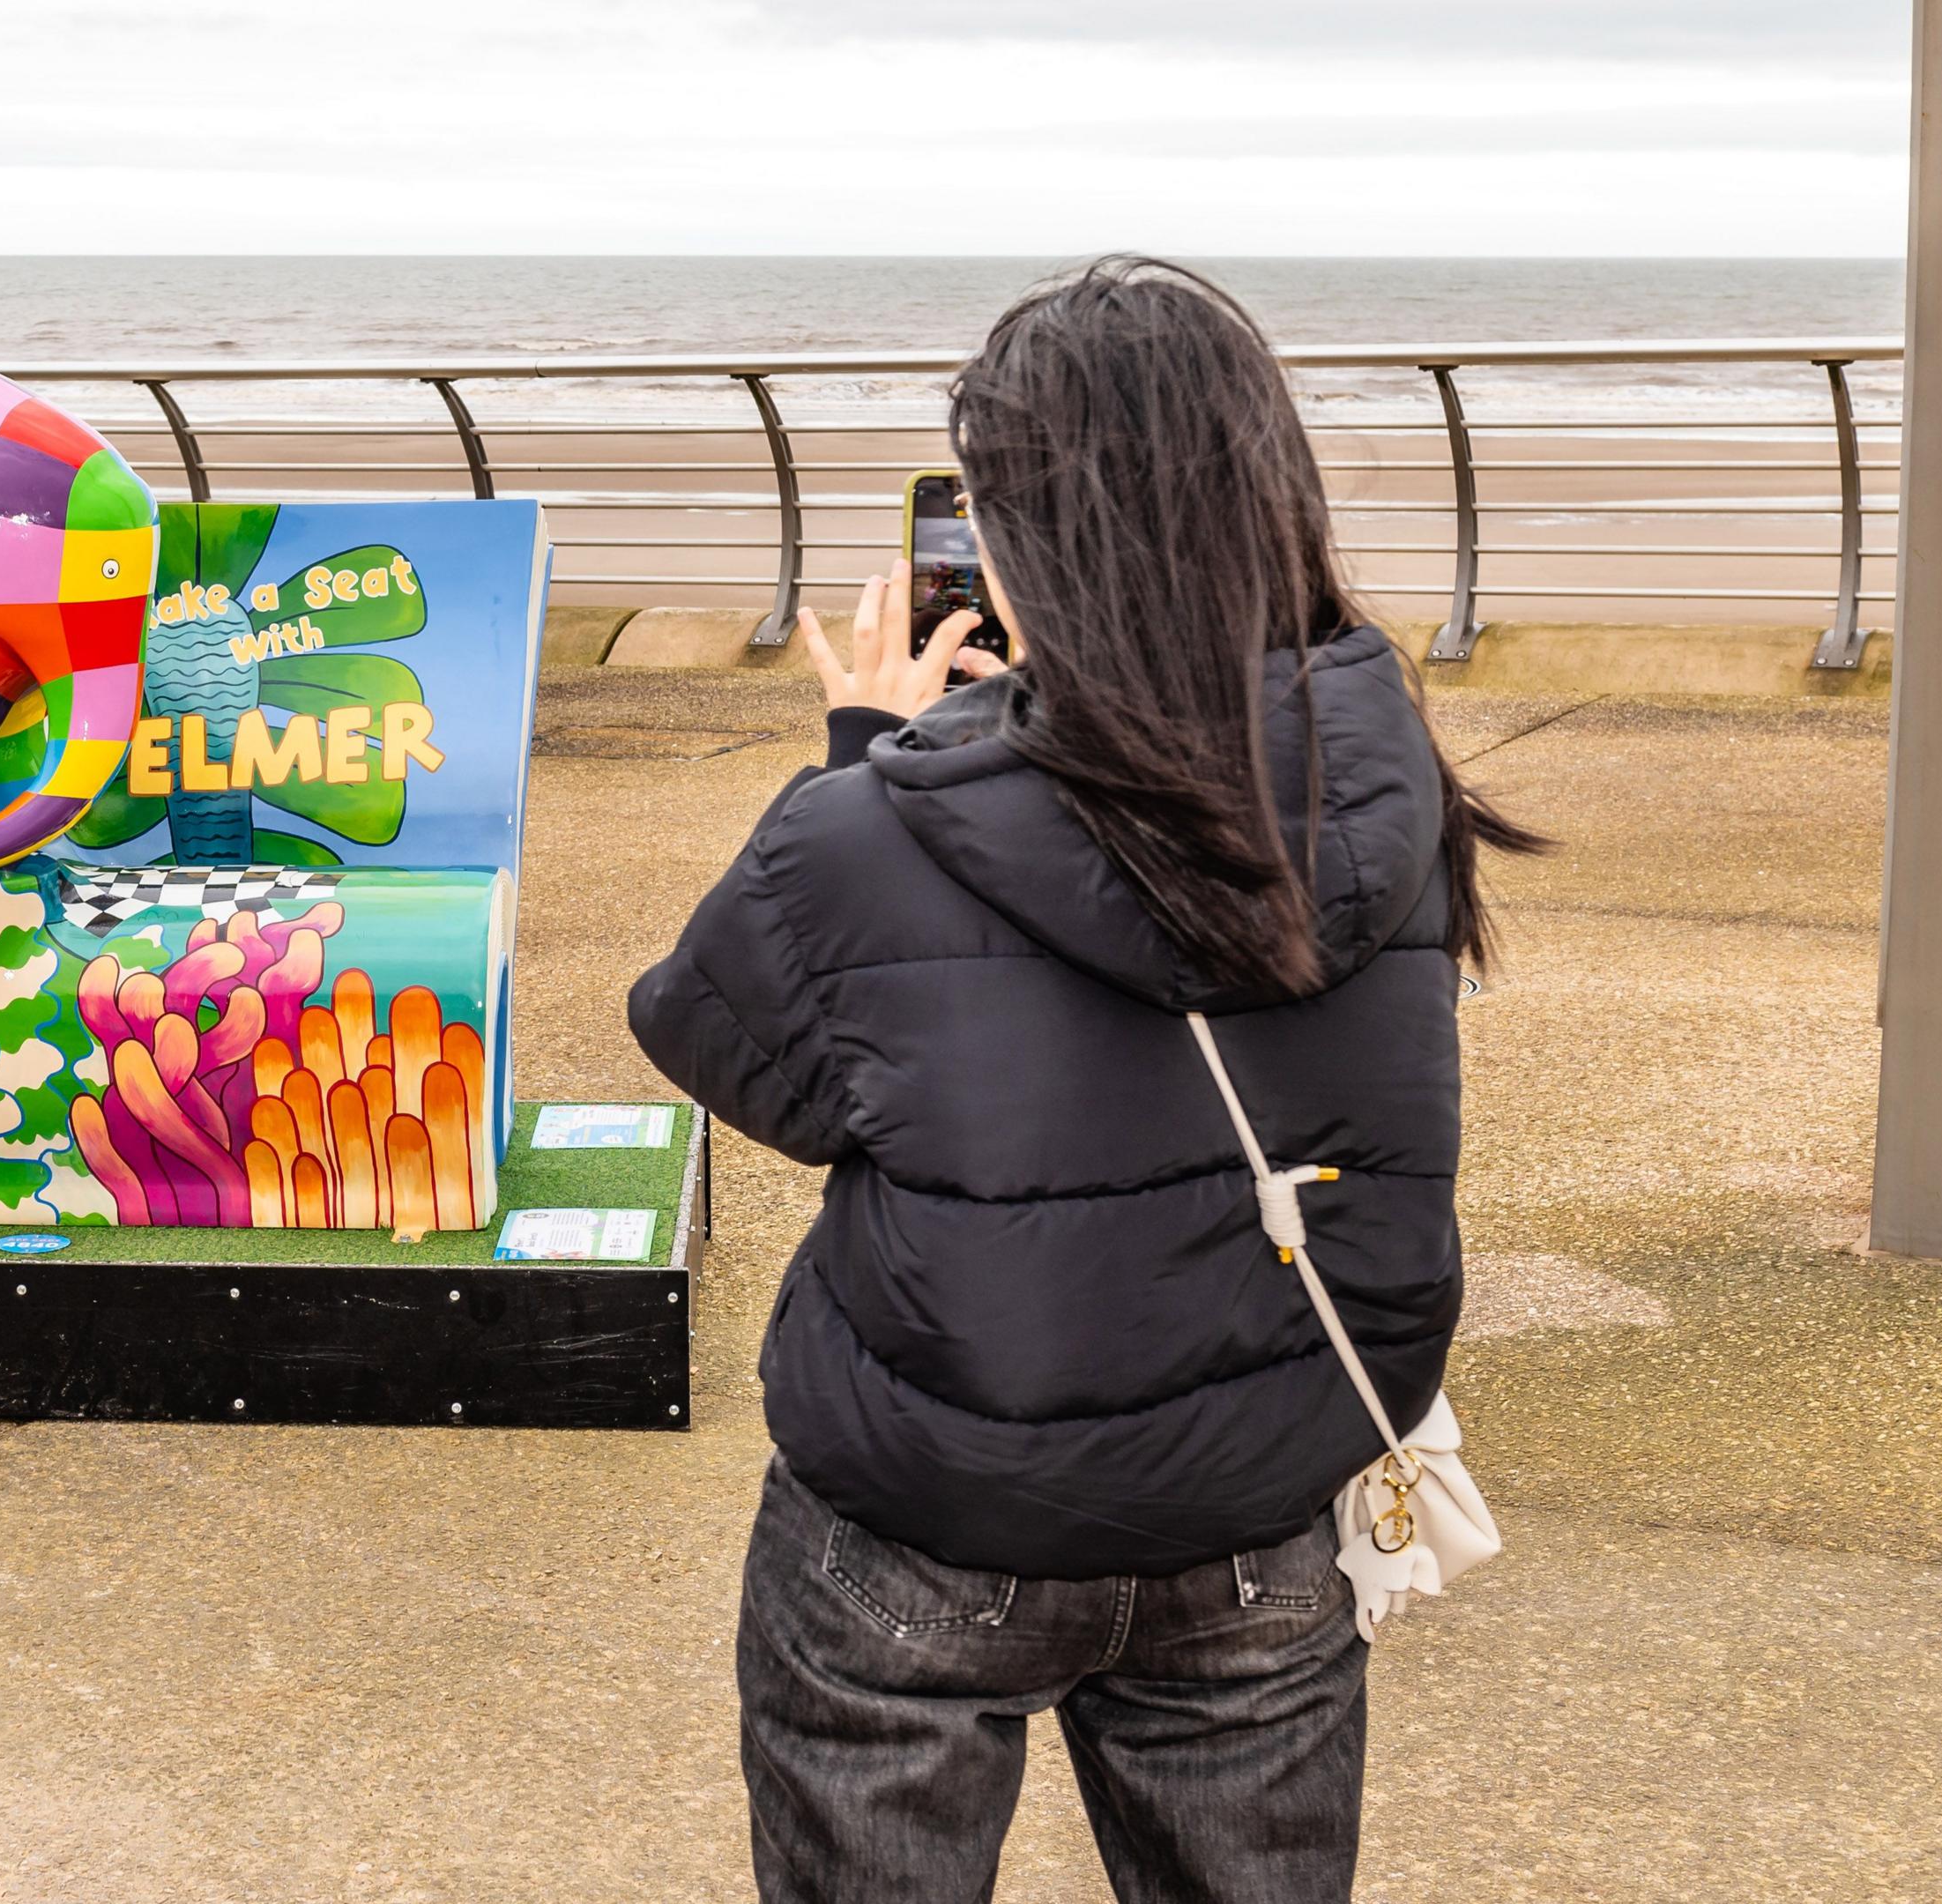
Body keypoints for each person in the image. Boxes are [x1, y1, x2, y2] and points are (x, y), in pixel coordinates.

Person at [627, 257, 1542, 1904]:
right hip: (1263, 1508)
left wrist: (877, 759)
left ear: (1024, 532)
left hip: (929, 1510)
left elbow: (745, 1063)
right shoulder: (1387, 787)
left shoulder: (871, 826)